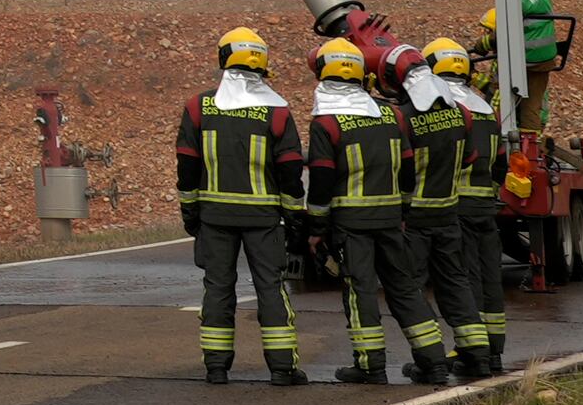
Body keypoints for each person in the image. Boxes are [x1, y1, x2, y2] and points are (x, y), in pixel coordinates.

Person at [305, 35, 450, 385]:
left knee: (360, 291)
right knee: (405, 288)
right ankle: (434, 360)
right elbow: (407, 168)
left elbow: (322, 179)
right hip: (389, 221)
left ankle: (370, 366)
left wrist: (315, 226)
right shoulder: (390, 115)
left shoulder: (326, 122)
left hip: (351, 224)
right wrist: (401, 213)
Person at [176, 24, 310, 385]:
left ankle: (216, 367)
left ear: (223, 59)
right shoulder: (278, 111)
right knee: (271, 286)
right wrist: (294, 217)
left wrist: (191, 212)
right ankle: (282, 368)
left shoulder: (198, 106)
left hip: (214, 216)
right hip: (264, 218)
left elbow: (186, 167)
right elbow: (291, 171)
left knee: (218, 287)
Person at [406, 37, 506, 379]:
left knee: (462, 281)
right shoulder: (484, 109)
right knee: (489, 279)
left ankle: (466, 350)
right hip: (484, 208)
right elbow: (499, 164)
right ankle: (492, 353)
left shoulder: (447, 110)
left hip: (454, 207)